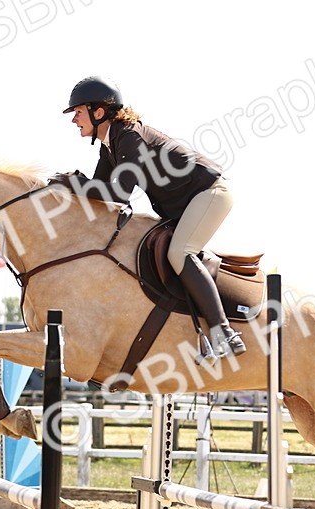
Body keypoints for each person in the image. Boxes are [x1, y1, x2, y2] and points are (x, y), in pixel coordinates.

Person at [60, 76, 245, 359]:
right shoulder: (110, 145)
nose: (74, 120)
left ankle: (224, 334)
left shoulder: (128, 136)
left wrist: (73, 183)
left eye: (78, 112)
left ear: (99, 112)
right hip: (187, 203)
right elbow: (100, 196)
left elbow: (120, 193)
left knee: (179, 253)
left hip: (209, 193)